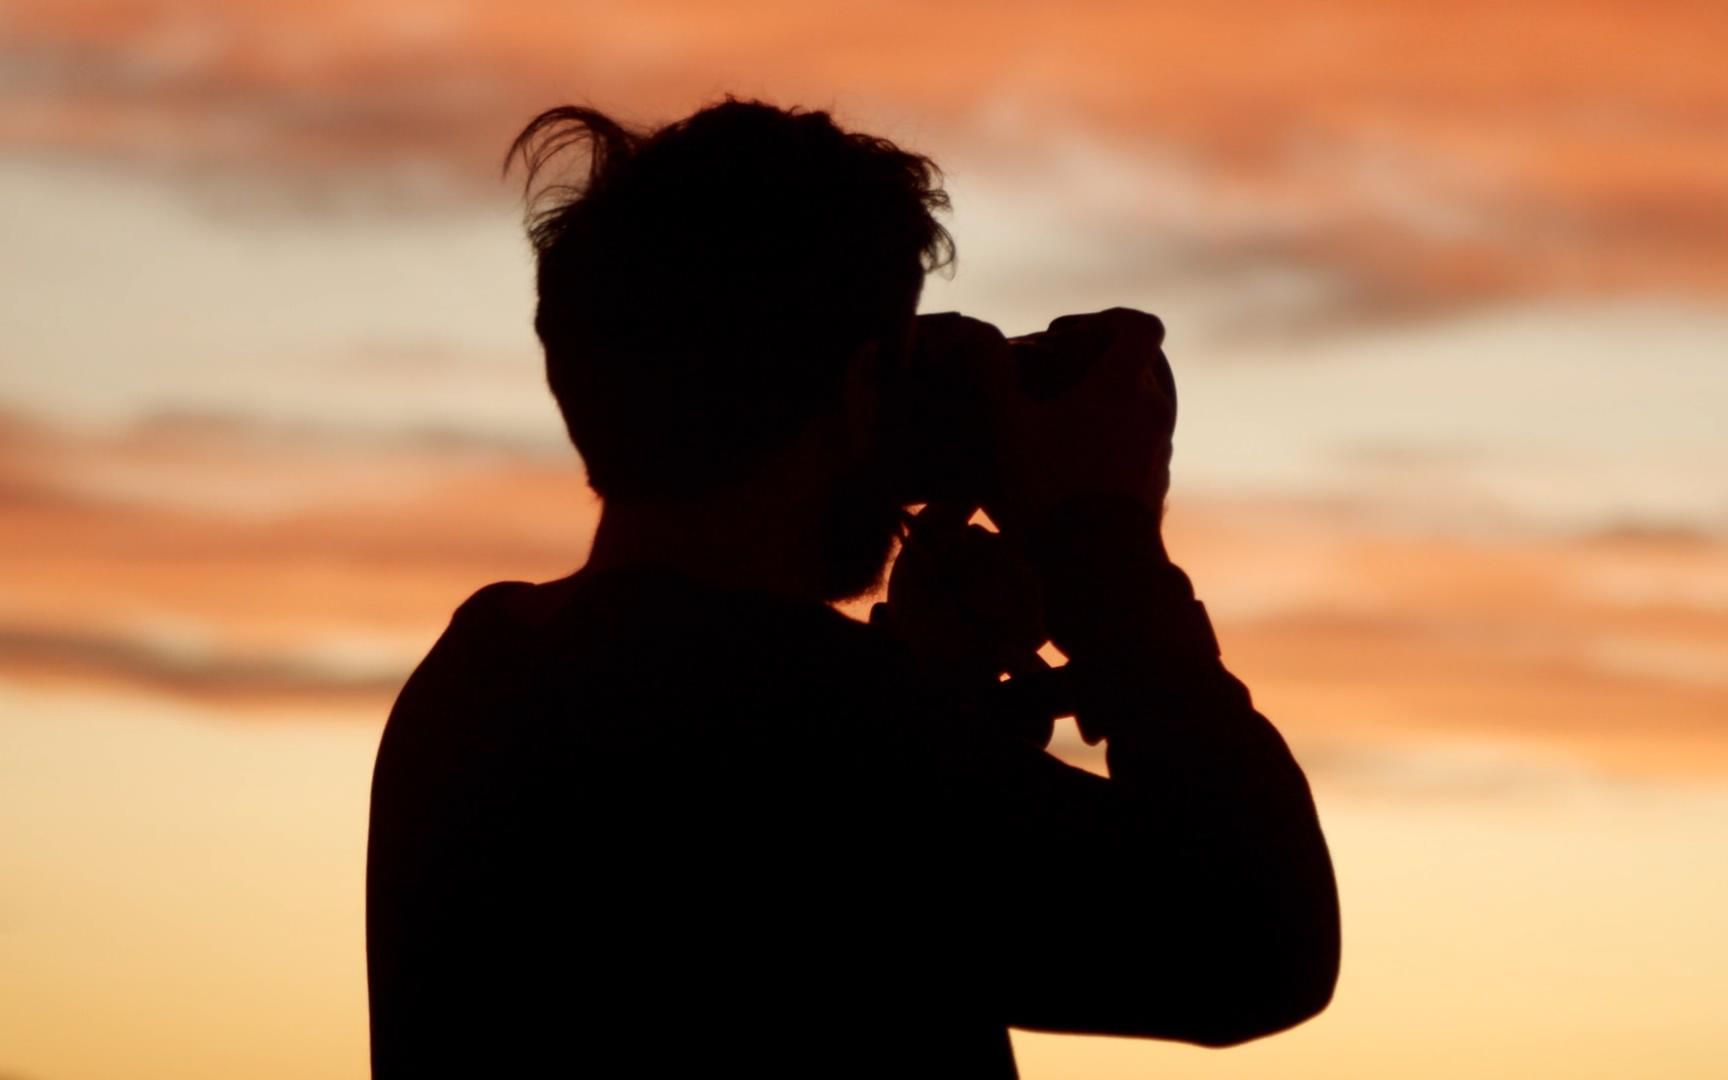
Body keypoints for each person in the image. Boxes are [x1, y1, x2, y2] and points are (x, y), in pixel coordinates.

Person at [365, 96, 1339, 1078]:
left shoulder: (475, 680)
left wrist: (934, 687)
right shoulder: (817, 728)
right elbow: (1258, 939)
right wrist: (1105, 552)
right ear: (861, 386)